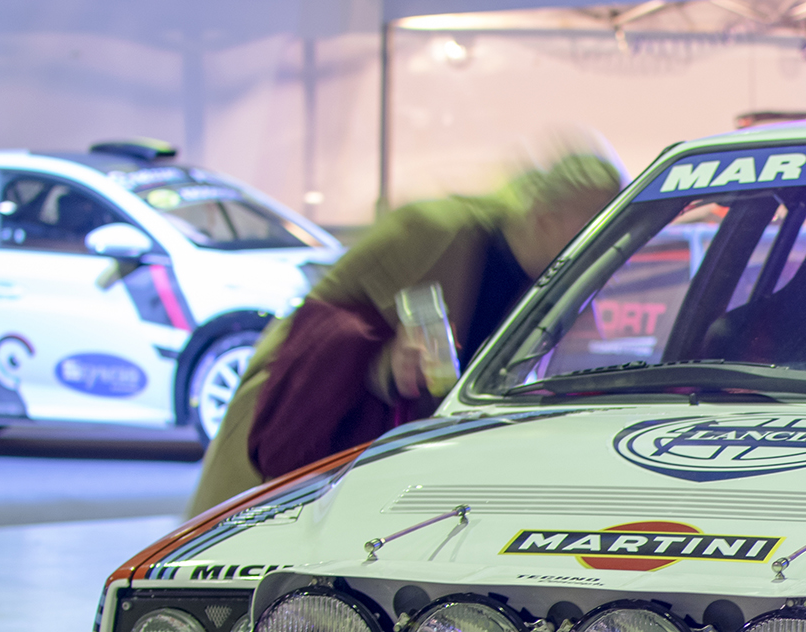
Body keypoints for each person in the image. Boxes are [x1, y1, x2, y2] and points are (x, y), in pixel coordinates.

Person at [186, 150, 622, 515]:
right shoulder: (436, 231)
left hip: (392, 480)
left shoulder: (558, 284)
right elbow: (321, 326)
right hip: (303, 439)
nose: (605, 246)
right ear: (546, 216)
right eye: (595, 225)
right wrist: (383, 360)